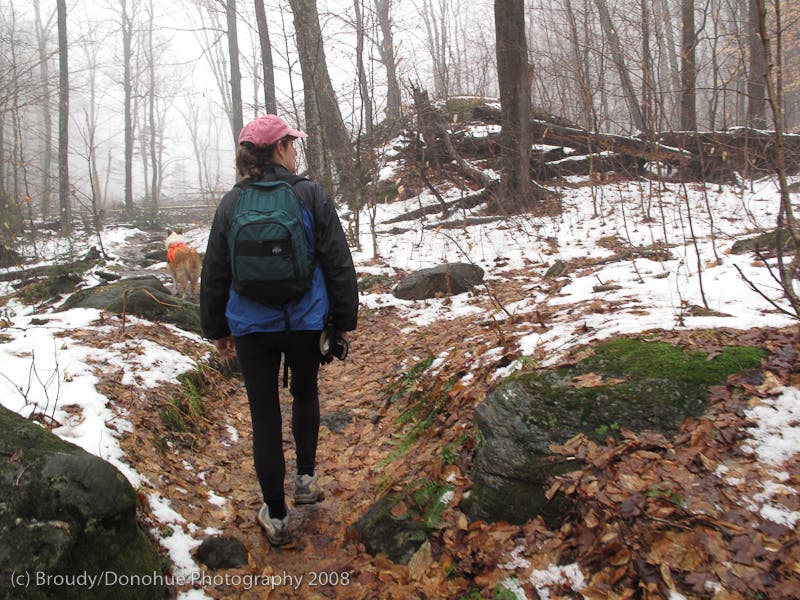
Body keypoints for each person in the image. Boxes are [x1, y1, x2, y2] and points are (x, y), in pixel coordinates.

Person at [200, 114, 359, 546]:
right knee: (305, 392)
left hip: (251, 327)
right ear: (280, 149)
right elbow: (337, 262)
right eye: (292, 143)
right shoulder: (310, 195)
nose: (295, 151)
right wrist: (343, 321)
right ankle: (305, 480)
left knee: (264, 413)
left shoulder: (231, 203)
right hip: (305, 322)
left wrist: (218, 328)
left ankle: (276, 514)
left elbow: (215, 271)